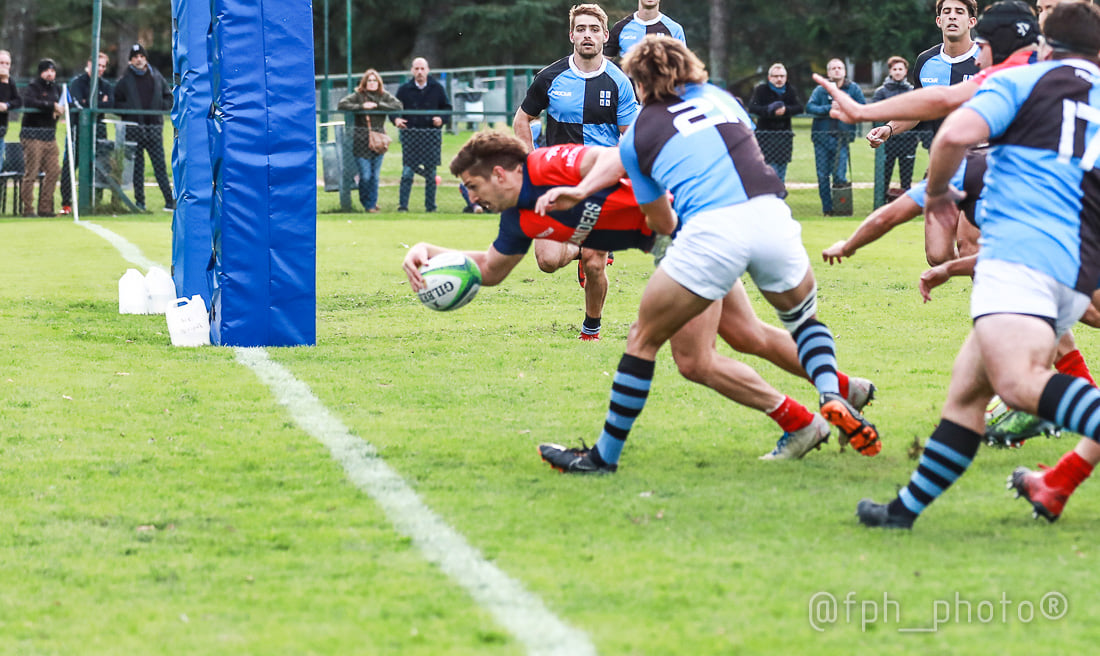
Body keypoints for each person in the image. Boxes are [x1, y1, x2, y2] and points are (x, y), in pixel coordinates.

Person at [402, 131, 877, 463]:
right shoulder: (518, 219)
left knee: (695, 360)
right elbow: (489, 270)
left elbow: (613, 157)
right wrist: (430, 251)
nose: (472, 199)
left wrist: (580, 189)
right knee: (745, 334)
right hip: (684, 237)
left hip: (687, 226)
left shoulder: (546, 164)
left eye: (473, 186)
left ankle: (801, 424)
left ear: (502, 173)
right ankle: (843, 385)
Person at [534, 36, 880, 474]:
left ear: (639, 82)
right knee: (779, 327)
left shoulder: (643, 128)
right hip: (773, 217)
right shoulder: (724, 99)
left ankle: (603, 458)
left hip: (711, 232)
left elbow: (661, 222)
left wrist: (592, 199)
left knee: (646, 339)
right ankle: (834, 391)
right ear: (690, 66)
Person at [857, 0, 1100, 530]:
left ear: (1043, 44)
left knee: (1017, 386)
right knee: (967, 395)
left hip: (1020, 256)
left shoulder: (1025, 80)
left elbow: (950, 132)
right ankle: (902, 513)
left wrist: (939, 192)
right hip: (1076, 267)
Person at [514, 3, 640, 341]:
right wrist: (530, 165)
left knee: (597, 263)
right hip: (557, 180)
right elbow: (521, 120)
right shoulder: (550, 77)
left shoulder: (620, 81)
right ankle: (582, 248)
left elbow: (631, 137)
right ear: (571, 35)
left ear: (604, 35)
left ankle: (591, 330)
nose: (587, 35)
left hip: (602, 182)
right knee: (548, 261)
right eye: (581, 29)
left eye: (594, 29)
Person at [865, 0, 979, 152]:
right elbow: (918, 111)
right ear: (939, 21)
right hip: (942, 157)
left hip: (983, 159)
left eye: (959, 12)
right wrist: (889, 128)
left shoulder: (988, 58)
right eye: (947, 11)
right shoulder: (926, 61)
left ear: (971, 21)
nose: (952, 17)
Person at [114, 44, 175, 212]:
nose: (139, 59)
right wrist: (129, 110)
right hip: (135, 131)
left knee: (160, 168)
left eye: (141, 56)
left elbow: (168, 97)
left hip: (154, 130)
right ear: (130, 60)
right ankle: (140, 202)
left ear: (146, 58)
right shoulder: (125, 80)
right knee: (138, 169)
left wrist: (160, 107)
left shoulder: (156, 76)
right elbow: (115, 102)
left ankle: (170, 202)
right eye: (135, 57)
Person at [338, 69, 402, 213]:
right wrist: (361, 107)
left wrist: (379, 105)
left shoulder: (383, 96)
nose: (372, 83)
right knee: (365, 175)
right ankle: (366, 201)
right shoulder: (358, 96)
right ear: (365, 82)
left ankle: (371, 204)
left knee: (375, 176)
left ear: (378, 83)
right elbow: (342, 104)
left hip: (378, 142)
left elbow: (397, 105)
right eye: (369, 81)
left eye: (374, 81)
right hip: (361, 142)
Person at [805, 58, 864, 215]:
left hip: (842, 139)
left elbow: (862, 107)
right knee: (823, 175)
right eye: (833, 68)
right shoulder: (820, 90)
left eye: (840, 68)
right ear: (829, 72)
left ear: (844, 71)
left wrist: (845, 107)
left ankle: (841, 207)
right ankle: (827, 209)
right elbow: (810, 107)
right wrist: (827, 108)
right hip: (821, 138)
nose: (837, 70)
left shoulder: (852, 89)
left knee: (839, 175)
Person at [393, 57, 451, 214]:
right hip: (411, 137)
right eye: (416, 69)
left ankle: (430, 207)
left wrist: (441, 119)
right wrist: (396, 119)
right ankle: (403, 206)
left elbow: (447, 108)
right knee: (407, 173)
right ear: (412, 70)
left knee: (431, 174)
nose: (419, 72)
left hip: (431, 137)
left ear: (428, 70)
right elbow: (394, 108)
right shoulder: (404, 89)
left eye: (422, 69)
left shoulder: (437, 88)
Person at [60, 52, 113, 215]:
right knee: (70, 166)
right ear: (89, 64)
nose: (101, 69)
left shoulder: (106, 85)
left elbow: (110, 104)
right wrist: (96, 105)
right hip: (78, 132)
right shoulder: (77, 83)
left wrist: (94, 106)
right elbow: (79, 104)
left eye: (104, 66)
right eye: (98, 65)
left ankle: (94, 202)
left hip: (99, 132)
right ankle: (67, 204)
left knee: (98, 167)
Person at [19, 58, 63, 218]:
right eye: (47, 70)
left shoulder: (58, 88)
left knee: (54, 170)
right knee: (32, 172)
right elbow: (30, 102)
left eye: (52, 70)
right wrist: (51, 106)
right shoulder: (33, 87)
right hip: (32, 135)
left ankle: (45, 208)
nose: (50, 73)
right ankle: (28, 209)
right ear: (41, 72)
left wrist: (59, 110)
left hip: (49, 136)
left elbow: (64, 104)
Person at [747, 63, 803, 183]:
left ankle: (779, 198)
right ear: (769, 78)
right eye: (776, 76)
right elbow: (753, 108)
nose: (779, 79)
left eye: (782, 76)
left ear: (786, 77)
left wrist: (785, 110)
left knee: (781, 171)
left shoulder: (790, 90)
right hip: (766, 136)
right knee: (770, 171)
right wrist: (770, 111)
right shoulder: (761, 90)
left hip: (784, 137)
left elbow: (799, 107)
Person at [870, 57, 918, 192]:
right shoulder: (881, 92)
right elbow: (875, 113)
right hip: (887, 141)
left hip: (908, 141)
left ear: (905, 71)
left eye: (900, 69)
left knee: (906, 179)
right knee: (884, 176)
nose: (897, 72)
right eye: (895, 69)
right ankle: (882, 205)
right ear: (890, 71)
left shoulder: (912, 91)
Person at [604, 0, 686, 59]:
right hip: (630, 82)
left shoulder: (674, 29)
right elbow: (604, 64)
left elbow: (683, 65)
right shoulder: (620, 27)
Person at [0, 50, 21, 168]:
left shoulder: (10, 81)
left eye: (7, 63)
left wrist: (7, 105)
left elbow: (18, 101)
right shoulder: (6, 80)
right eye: (1, 63)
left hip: (1, 130)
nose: (4, 66)